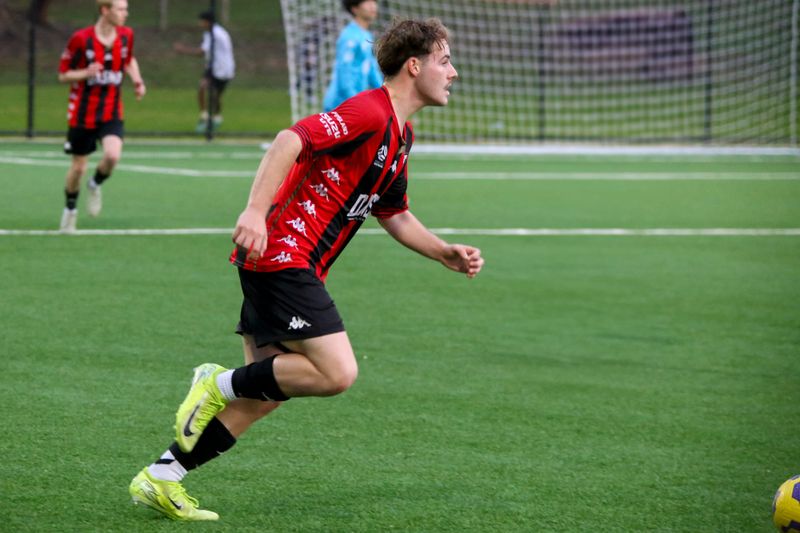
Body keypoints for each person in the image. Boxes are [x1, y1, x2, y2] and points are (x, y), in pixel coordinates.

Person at [129, 18, 483, 521]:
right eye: (445, 61)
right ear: (414, 65)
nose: (453, 72)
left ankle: (163, 476)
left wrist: (442, 249)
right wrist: (254, 211)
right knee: (337, 373)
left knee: (268, 393)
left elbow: (394, 211)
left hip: (285, 263)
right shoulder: (368, 111)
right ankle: (217, 381)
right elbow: (289, 139)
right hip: (282, 256)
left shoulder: (400, 135)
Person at [57, 0, 145, 234]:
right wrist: (85, 73)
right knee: (78, 168)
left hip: (111, 111)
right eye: (120, 9)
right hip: (82, 113)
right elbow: (63, 75)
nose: (125, 13)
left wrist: (137, 80)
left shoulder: (126, 36)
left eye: (126, 9)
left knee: (112, 155)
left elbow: (129, 60)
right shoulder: (81, 39)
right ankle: (70, 209)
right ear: (105, 11)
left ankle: (95, 184)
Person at [173, 10, 235, 133]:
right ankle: (205, 116)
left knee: (216, 96)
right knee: (203, 87)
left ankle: (216, 117)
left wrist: (182, 50)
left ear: (208, 22)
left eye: (202, 21)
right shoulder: (210, 33)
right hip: (213, 67)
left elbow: (201, 52)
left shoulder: (216, 34)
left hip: (223, 69)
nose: (200, 24)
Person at [322, 0, 382, 111]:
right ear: (355, 9)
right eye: (367, 2)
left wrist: (385, 95)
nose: (373, 6)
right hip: (339, 105)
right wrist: (357, 102)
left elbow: (371, 69)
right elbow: (344, 73)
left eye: (374, 2)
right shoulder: (349, 37)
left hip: (355, 102)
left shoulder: (366, 35)